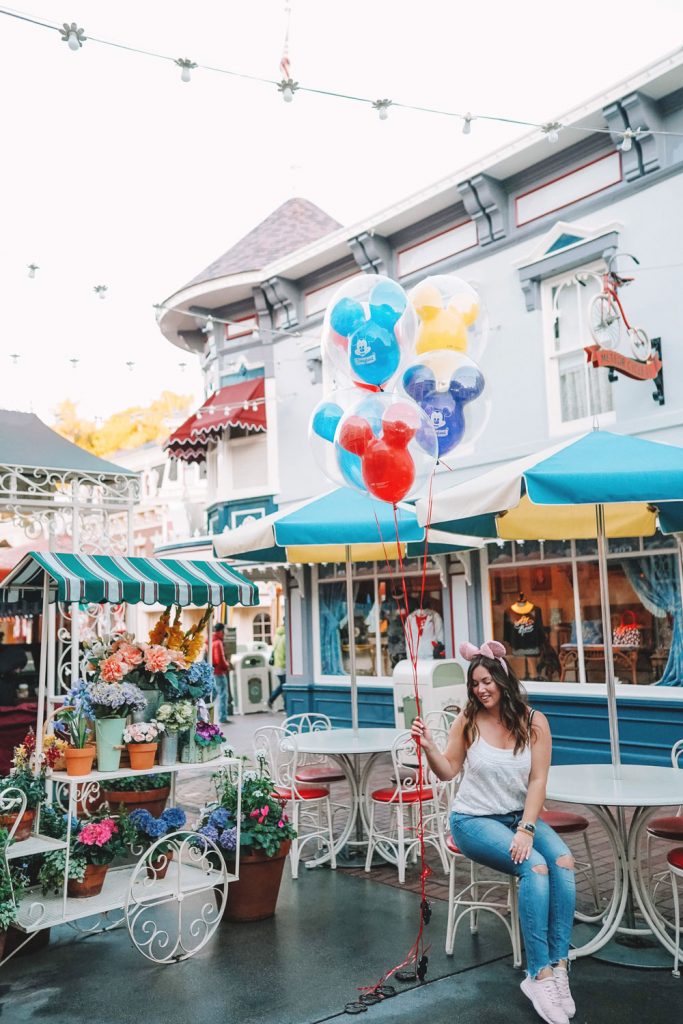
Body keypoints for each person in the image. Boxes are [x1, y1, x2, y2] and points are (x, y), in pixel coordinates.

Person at [411, 639, 576, 1024]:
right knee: (534, 868)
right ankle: (539, 975)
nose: (481, 689)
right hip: (474, 821)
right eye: (475, 683)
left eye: (487, 681)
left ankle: (559, 966)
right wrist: (429, 747)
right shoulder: (467, 721)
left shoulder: (534, 721)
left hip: (519, 816)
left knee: (564, 862)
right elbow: (448, 770)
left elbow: (537, 782)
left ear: (503, 680)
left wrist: (526, 828)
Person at [211, 623, 232, 722]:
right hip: (219, 672)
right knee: (223, 694)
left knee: (214, 693)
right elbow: (220, 659)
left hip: (214, 672)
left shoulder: (211, 641)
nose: (225, 634)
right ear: (221, 631)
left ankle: (205, 712)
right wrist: (227, 665)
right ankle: (223, 717)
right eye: (224, 631)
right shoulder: (218, 642)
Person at [267, 624, 287, 711]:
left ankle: (285, 706)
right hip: (284, 666)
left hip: (277, 665)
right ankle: (272, 700)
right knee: (284, 686)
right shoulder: (286, 637)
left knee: (283, 686)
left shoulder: (276, 636)